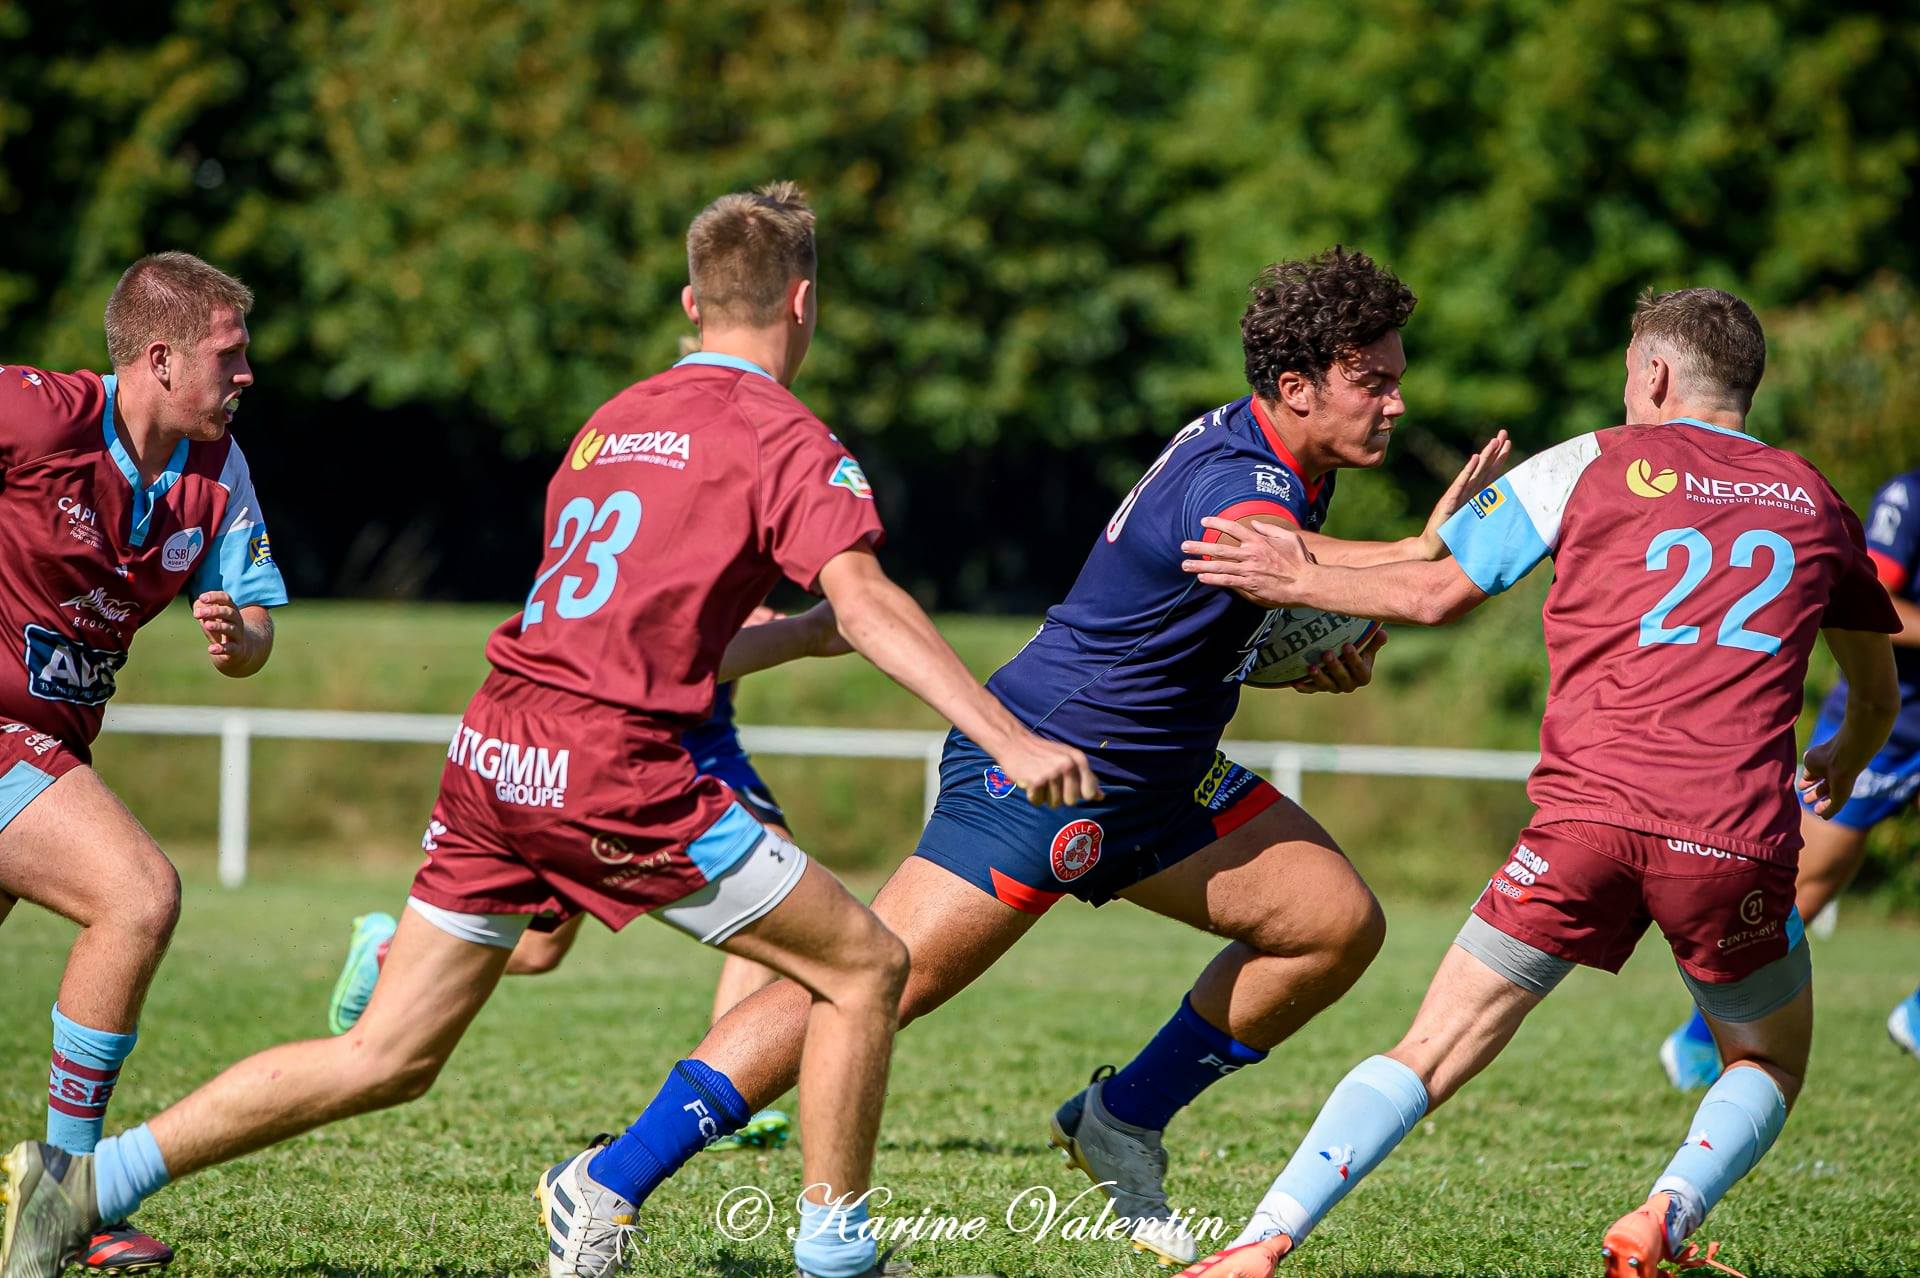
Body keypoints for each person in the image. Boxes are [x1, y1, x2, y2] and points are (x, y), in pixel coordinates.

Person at [0, 182, 1096, 1278]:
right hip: (610, 765)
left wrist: (793, 640)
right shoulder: (784, 434)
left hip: (493, 747)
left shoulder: (614, 421)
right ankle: (838, 1260)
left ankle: (87, 1186)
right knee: (864, 968)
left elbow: (621, 628)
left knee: (387, 1053)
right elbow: (867, 598)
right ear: (804, 304)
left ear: (691, 299)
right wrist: (1009, 738)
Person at [572, 246, 1510, 1268]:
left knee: (1331, 926)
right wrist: (1426, 560)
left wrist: (1301, 651)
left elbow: (1227, 606)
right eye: (1375, 381)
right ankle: (608, 1179)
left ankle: (1120, 1121)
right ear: (1295, 387)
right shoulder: (1236, 482)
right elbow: (1296, 564)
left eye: (1395, 378)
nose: (1397, 403)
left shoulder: (1285, 465)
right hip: (1047, 769)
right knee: (869, 984)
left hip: (1158, 778)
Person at [1170, 287, 1901, 1277]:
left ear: (1653, 375)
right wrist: (1848, 750)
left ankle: (1263, 1240)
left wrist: (1294, 579)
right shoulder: (1813, 497)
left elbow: (1434, 592)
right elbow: (1876, 678)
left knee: (1428, 1051)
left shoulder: (1591, 461)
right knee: (1766, 1058)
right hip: (1734, 839)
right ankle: (1665, 1213)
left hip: (1582, 829)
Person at [0, 252, 285, 1274]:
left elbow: (255, 633)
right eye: (229, 353)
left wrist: (235, 639)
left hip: (48, 745)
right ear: (161, 358)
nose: (247, 372)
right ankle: (62, 1199)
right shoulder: (37, 416)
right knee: (137, 895)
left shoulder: (219, 474)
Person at [328, 612, 828, 1153]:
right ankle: (385, 951)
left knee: (777, 877)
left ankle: (727, 1083)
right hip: (606, 742)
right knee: (541, 950)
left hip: (707, 747)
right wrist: (782, 628)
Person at [1660, 466, 1920, 1087]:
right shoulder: (1907, 497)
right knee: (1803, 889)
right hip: (1893, 718)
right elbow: (1873, 600)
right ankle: (1700, 1040)